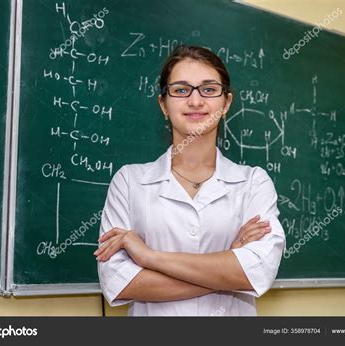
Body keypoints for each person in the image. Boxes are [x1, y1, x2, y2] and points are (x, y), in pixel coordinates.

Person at [95, 45, 285, 316]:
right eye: (181, 90)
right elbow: (120, 283)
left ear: (226, 103)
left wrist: (150, 257)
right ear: (163, 104)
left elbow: (258, 272)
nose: (195, 101)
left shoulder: (254, 182)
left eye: (209, 89)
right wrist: (226, 267)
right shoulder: (129, 181)